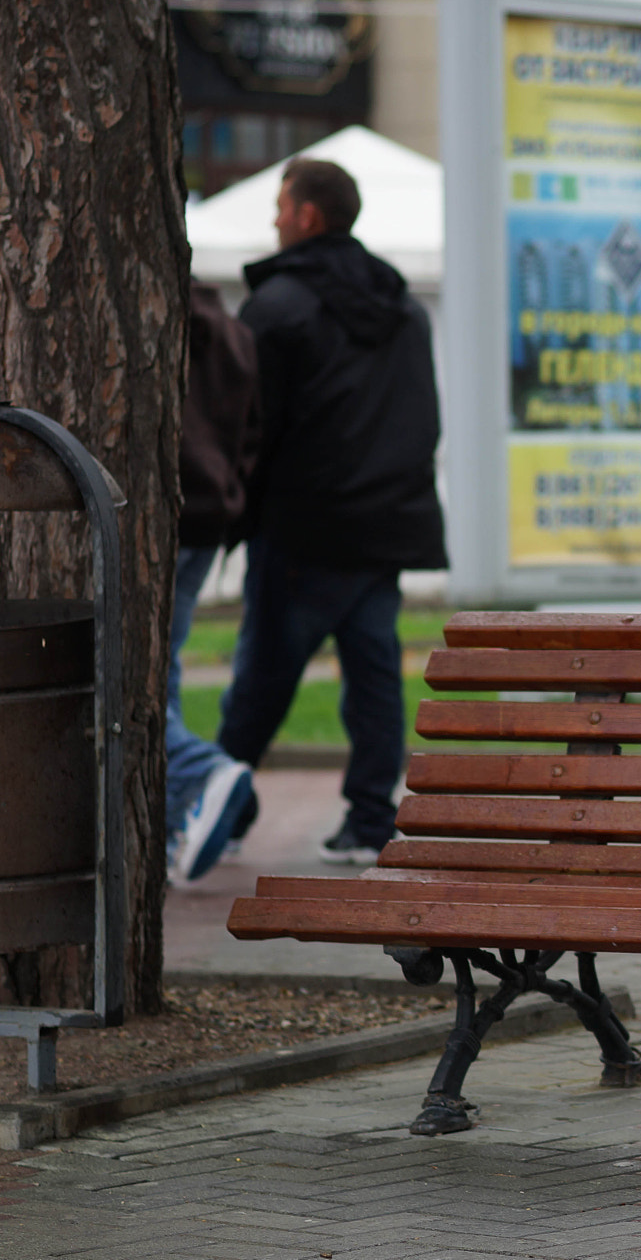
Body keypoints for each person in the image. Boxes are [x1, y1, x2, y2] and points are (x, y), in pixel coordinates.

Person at [218, 157, 447, 864]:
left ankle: (216, 811)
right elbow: (422, 416)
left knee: (263, 677)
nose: (275, 221)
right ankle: (370, 817)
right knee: (374, 673)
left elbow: (250, 428)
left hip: (303, 527)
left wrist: (236, 511)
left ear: (308, 215)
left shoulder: (278, 306)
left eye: (281, 207)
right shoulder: (402, 307)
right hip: (383, 525)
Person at [164, 282, 263, 885]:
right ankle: (182, 808)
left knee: (122, 677)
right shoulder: (234, 331)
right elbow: (251, 434)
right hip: (207, 517)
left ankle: (200, 771)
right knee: (162, 665)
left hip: (156, 513)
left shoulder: (150, 319)